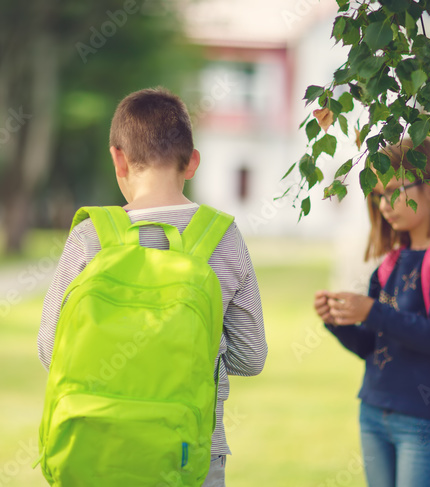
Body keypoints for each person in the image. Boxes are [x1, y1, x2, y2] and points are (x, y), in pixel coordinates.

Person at [37, 87, 267, 486]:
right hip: (190, 451)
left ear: (118, 159)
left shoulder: (91, 237)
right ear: (192, 162)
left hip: (95, 445)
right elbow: (251, 358)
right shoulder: (223, 238)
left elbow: (49, 350)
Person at [313, 138, 430, 487]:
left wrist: (372, 310)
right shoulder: (391, 262)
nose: (385, 204)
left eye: (394, 190)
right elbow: (371, 347)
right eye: (377, 194)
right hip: (373, 410)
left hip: (422, 418)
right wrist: (337, 322)